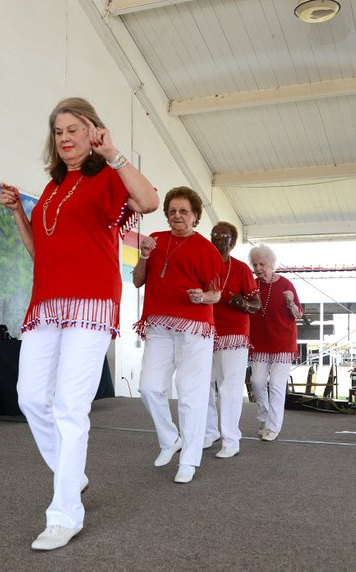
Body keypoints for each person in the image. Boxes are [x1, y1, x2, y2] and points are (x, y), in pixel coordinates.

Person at [0, 97, 158, 551]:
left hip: (91, 303)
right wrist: (16, 212)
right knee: (30, 397)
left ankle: (65, 512)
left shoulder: (108, 176)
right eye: (59, 132)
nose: (65, 138)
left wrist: (115, 155)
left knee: (70, 405)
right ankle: (74, 474)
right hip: (46, 305)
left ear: (93, 132)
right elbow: (38, 252)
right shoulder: (51, 188)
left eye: (74, 129)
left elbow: (148, 200)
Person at [133, 186, 223, 484]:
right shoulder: (155, 241)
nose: (177, 216)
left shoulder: (207, 250)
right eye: (172, 211)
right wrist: (144, 256)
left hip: (195, 329)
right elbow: (137, 281)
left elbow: (216, 294)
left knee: (190, 395)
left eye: (184, 211)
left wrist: (202, 297)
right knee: (148, 387)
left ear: (195, 216)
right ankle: (171, 439)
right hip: (158, 326)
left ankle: (189, 460)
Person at [203, 222, 260, 459]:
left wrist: (243, 303)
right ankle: (209, 431)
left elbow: (256, 305)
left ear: (232, 243)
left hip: (234, 334)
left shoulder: (242, 270)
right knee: (203, 385)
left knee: (229, 388)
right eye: (214, 237)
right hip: (205, 332)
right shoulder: (203, 264)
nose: (217, 241)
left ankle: (231, 438)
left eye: (222, 237)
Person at [248, 244, 303, 442]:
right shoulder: (251, 284)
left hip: (283, 343)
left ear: (271, 264)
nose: (258, 268)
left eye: (262, 263)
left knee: (277, 385)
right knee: (257, 382)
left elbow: (298, 314)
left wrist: (290, 303)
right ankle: (264, 415)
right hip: (259, 342)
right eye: (255, 264)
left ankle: (273, 426)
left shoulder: (286, 284)